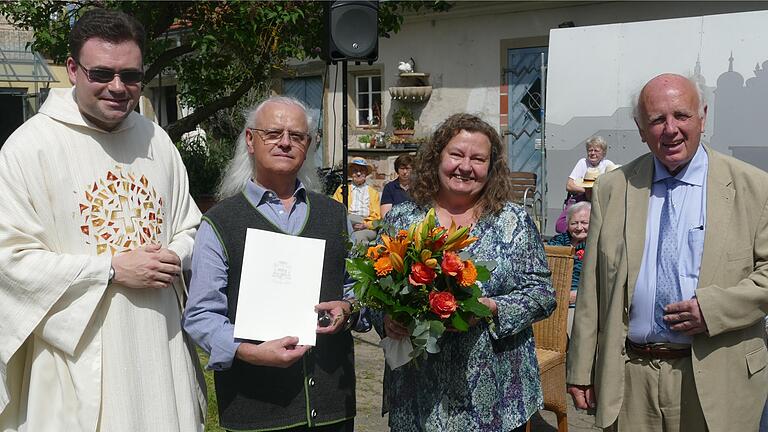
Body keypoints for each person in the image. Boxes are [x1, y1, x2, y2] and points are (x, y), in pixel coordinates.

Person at [0, 9, 204, 431]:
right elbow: (10, 260)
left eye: (131, 75)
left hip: (157, 342)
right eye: (102, 73)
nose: (117, 87)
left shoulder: (156, 140)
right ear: (73, 70)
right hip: (76, 355)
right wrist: (111, 269)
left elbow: (190, 226)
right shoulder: (29, 148)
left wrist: (173, 253)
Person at [567, 73, 768, 431]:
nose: (670, 129)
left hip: (716, 375)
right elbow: (592, 290)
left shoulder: (754, 187)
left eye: (681, 116)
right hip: (631, 379)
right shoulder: (613, 188)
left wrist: (714, 309)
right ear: (641, 128)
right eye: (657, 120)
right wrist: (582, 368)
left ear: (703, 117)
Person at [183, 96, 363, 432]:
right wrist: (247, 351)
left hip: (332, 407)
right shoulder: (219, 223)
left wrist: (348, 310)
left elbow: (357, 292)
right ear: (250, 140)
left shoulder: (334, 215)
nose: (285, 142)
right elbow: (201, 315)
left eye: (296, 136)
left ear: (308, 146)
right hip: (256, 410)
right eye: (273, 133)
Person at [378, 113, 556, 431]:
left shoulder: (512, 221)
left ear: (491, 167)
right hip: (419, 393)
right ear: (437, 158)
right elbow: (379, 290)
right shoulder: (404, 218)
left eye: (478, 159)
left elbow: (542, 294)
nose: (465, 166)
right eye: (456, 154)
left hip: (495, 396)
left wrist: (493, 309)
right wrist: (388, 320)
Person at [548, 201, 591, 335]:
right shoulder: (556, 243)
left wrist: (580, 295)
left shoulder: (597, 245)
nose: (579, 227)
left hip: (582, 305)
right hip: (555, 301)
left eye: (584, 222)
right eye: (574, 223)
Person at [332, 157, 381, 243]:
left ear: (366, 173)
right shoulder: (342, 189)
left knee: (359, 237)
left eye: (361, 170)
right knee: (348, 218)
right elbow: (334, 210)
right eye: (355, 170)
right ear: (351, 173)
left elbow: (377, 218)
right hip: (347, 223)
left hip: (366, 226)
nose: (358, 173)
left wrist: (365, 225)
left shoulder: (373, 193)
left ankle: (361, 255)